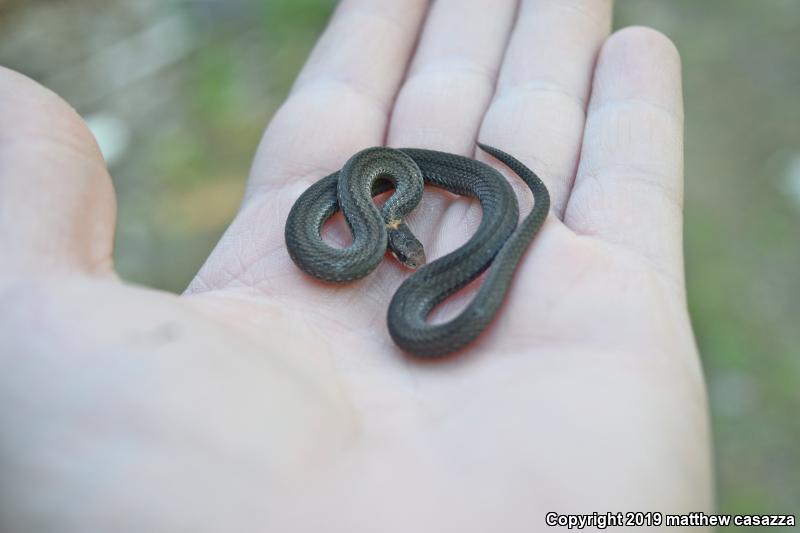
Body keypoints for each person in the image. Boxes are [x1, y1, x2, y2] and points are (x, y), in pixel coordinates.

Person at [0, 0, 712, 530]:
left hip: (413, 187)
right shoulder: (370, 218)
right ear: (396, 226)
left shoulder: (388, 204)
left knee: (505, 212)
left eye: (405, 257)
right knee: (494, 221)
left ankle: (511, 208)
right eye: (405, 256)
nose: (408, 264)